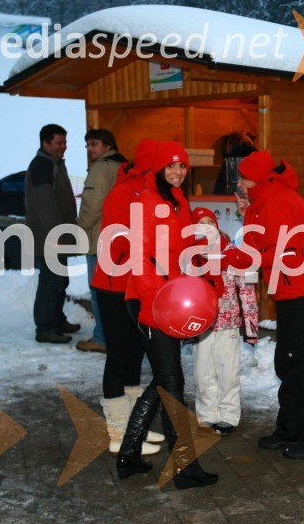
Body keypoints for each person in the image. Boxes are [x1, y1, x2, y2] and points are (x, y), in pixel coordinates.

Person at [116, 140, 218, 489]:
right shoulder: (146, 202)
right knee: (172, 383)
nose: (177, 173)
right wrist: (155, 302)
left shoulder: (177, 200)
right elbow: (139, 256)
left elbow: (181, 247)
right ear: (156, 169)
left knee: (164, 381)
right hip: (150, 302)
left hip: (171, 299)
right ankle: (185, 467)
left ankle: (129, 455)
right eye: (170, 167)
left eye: (182, 167)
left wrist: (202, 244)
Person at [237, 150, 304, 459]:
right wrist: (246, 212)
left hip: (303, 292)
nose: (238, 182)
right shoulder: (264, 200)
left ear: (258, 178)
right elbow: (257, 243)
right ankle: (290, 428)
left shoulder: (279, 202)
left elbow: (286, 254)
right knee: (288, 363)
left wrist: (246, 257)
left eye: (242, 177)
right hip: (292, 292)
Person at [92, 140, 163, 457]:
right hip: (113, 284)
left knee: (136, 354)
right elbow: (120, 242)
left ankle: (135, 428)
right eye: (167, 165)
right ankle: (118, 433)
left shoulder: (153, 193)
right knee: (119, 354)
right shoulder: (123, 193)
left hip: (137, 285)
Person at [190, 207, 258, 436]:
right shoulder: (190, 257)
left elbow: (247, 291)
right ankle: (208, 414)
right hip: (201, 326)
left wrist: (250, 326)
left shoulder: (232, 253)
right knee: (203, 372)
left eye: (210, 221)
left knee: (228, 372)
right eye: (201, 223)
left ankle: (228, 415)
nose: (207, 226)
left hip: (227, 323)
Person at [24, 123, 80, 344]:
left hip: (57, 236)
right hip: (50, 238)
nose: (63, 147)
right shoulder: (42, 166)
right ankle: (45, 328)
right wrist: (57, 235)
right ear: (45, 143)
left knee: (60, 280)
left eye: (65, 142)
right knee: (51, 282)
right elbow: (44, 203)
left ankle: (57, 320)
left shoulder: (54, 163)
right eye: (59, 143)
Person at [76, 129, 127, 353]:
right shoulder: (123, 166)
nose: (90, 149)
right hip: (121, 239)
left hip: (99, 238)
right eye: (87, 145)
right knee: (118, 293)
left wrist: (80, 227)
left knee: (98, 292)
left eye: (94, 144)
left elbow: (92, 204)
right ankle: (119, 336)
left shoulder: (100, 169)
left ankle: (101, 338)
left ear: (107, 146)